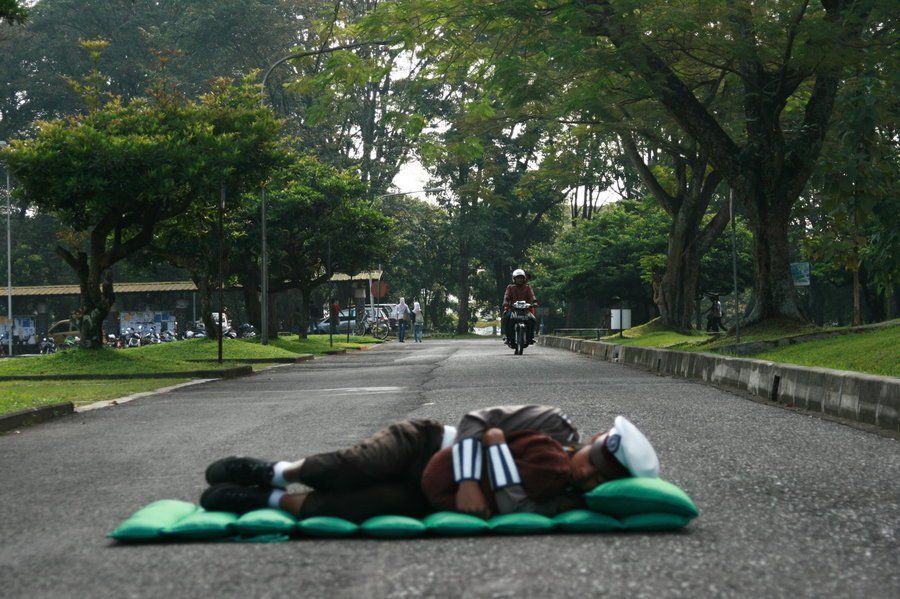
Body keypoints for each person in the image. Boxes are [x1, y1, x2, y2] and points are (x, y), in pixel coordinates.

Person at [199, 405, 659, 522]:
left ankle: (268, 500)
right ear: (594, 443)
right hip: (426, 444)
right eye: (594, 463)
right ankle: (275, 472)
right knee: (344, 469)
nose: (588, 474)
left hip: (427, 495)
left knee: (351, 508)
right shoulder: (552, 425)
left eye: (600, 479)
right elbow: (478, 421)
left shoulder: (568, 496)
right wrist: (468, 481)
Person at [501, 268, 537, 346]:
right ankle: (507, 337)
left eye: (521, 278)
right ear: (514, 279)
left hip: (526, 309)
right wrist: (506, 302)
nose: (519, 280)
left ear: (524, 278)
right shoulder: (510, 287)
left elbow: (532, 296)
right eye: (518, 278)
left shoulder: (528, 287)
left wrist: (534, 302)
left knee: (532, 319)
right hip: (513, 309)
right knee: (506, 317)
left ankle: (531, 337)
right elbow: (506, 296)